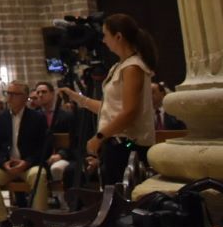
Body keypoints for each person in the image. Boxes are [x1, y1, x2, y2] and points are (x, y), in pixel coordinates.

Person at [60, 13, 158, 185]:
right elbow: (110, 108)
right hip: (117, 144)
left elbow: (129, 112)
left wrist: (99, 137)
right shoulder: (119, 66)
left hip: (128, 145)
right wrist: (78, 98)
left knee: (123, 199)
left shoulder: (132, 67)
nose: (104, 40)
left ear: (118, 36)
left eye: (106, 35)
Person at [0, 81, 50, 227]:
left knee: (39, 175)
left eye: (14, 94)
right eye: (7, 93)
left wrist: (27, 162)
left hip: (29, 164)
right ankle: (4, 222)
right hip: (7, 165)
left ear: (25, 97)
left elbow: (44, 147)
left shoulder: (37, 118)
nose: (9, 98)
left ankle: (39, 222)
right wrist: (3, 162)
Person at [33, 81, 74, 189]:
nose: (40, 95)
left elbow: (73, 140)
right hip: (39, 157)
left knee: (57, 168)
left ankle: (62, 200)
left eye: (44, 92)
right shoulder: (34, 117)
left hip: (62, 156)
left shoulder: (66, 116)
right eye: (38, 92)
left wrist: (61, 155)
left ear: (52, 94)